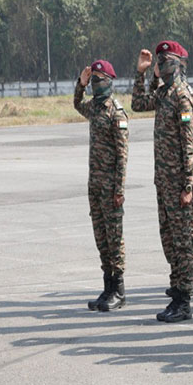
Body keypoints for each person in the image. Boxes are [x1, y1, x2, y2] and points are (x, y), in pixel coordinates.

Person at [132, 40, 193, 323]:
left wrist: (189, 184)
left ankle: (183, 300)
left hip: (177, 183)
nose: (160, 65)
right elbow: (138, 104)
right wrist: (142, 74)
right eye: (159, 61)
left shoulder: (182, 96)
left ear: (176, 64)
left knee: (183, 240)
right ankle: (177, 289)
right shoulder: (164, 94)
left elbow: (190, 143)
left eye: (164, 61)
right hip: (163, 180)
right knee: (170, 239)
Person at [73, 59, 129, 312]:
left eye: (98, 80)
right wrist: (80, 85)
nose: (95, 84)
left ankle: (118, 289)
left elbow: (122, 155)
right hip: (94, 185)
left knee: (114, 238)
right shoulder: (95, 108)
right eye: (92, 80)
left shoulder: (115, 112)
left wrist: (119, 189)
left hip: (110, 188)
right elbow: (76, 104)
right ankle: (107, 287)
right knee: (101, 238)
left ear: (109, 81)